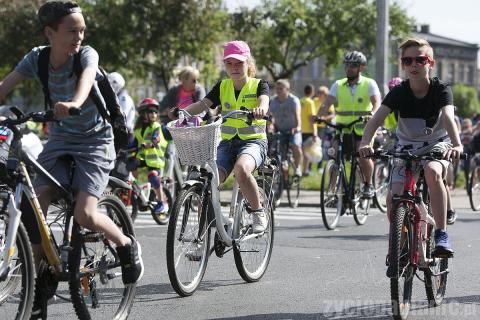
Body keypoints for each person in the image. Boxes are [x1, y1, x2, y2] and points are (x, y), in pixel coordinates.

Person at [0, 2, 144, 317]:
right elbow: (5, 87)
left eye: (82, 30)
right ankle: (39, 284)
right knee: (35, 206)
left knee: (84, 214)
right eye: (71, 31)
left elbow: (86, 80)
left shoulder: (85, 55)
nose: (79, 36)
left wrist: (74, 103)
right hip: (62, 138)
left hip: (96, 140)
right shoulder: (36, 58)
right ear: (50, 33)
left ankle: (125, 244)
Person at [358, 38, 463, 271]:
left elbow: (447, 116)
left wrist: (457, 145)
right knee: (393, 198)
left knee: (433, 171)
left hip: (437, 143)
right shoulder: (398, 92)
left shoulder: (441, 89)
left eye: (420, 59)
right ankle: (401, 243)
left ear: (430, 63)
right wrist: (365, 142)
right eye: (407, 60)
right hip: (406, 146)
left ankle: (441, 235)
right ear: (403, 65)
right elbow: (377, 118)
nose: (413, 64)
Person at [177, 40, 269, 233]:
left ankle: (257, 210)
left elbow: (264, 100)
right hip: (226, 143)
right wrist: (183, 113)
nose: (234, 67)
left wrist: (260, 109)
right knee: (208, 181)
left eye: (239, 63)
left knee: (242, 169)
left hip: (253, 142)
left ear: (248, 63)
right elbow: (203, 105)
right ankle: (203, 234)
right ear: (225, 65)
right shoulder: (222, 86)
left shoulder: (259, 85)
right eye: (230, 63)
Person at [317, 51, 381, 197]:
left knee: (363, 155)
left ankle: (368, 185)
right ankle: (332, 192)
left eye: (353, 66)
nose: (349, 68)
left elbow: (377, 102)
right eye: (347, 65)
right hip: (343, 129)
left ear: (361, 68)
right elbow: (327, 103)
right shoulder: (338, 85)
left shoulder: (369, 83)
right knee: (334, 156)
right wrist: (319, 116)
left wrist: (373, 113)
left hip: (363, 129)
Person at [127, 98, 169, 217]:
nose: (154, 114)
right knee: (130, 166)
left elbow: (157, 138)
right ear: (143, 113)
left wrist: (151, 143)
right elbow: (133, 143)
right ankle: (141, 191)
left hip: (155, 161)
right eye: (151, 111)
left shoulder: (156, 126)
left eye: (156, 112)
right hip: (142, 159)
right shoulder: (138, 129)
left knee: (153, 177)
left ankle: (162, 202)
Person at [269, 79, 303, 177]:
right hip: (280, 131)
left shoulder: (293, 100)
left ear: (287, 89)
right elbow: (270, 118)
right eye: (277, 88)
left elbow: (297, 116)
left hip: (293, 130)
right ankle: (276, 173)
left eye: (281, 88)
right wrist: (270, 127)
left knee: (296, 145)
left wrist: (297, 127)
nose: (278, 90)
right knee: (272, 150)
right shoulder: (273, 101)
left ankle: (297, 168)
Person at [313, 85, 335, 173]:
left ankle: (319, 166)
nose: (318, 94)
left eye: (320, 93)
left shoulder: (328, 103)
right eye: (318, 92)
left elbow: (332, 114)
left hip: (322, 127)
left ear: (325, 94)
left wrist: (324, 118)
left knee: (320, 146)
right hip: (314, 126)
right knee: (312, 146)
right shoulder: (314, 101)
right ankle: (310, 167)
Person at [299, 84, 318, 176]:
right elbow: (312, 118)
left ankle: (300, 169)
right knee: (307, 152)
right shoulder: (310, 102)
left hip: (300, 130)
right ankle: (305, 171)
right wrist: (315, 132)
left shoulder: (300, 101)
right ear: (312, 92)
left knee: (302, 151)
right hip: (308, 131)